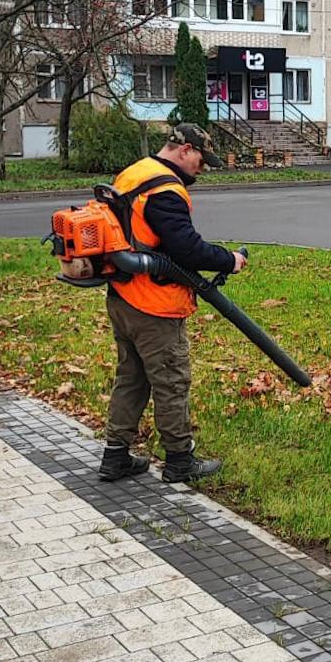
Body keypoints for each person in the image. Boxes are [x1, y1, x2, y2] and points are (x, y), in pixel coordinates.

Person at [97, 123, 247, 484]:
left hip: (123, 295)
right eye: (201, 160)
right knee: (171, 381)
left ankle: (115, 456)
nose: (202, 168)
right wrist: (228, 260)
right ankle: (180, 460)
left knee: (132, 378)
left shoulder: (135, 173)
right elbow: (186, 249)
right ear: (185, 150)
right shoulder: (165, 189)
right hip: (154, 304)